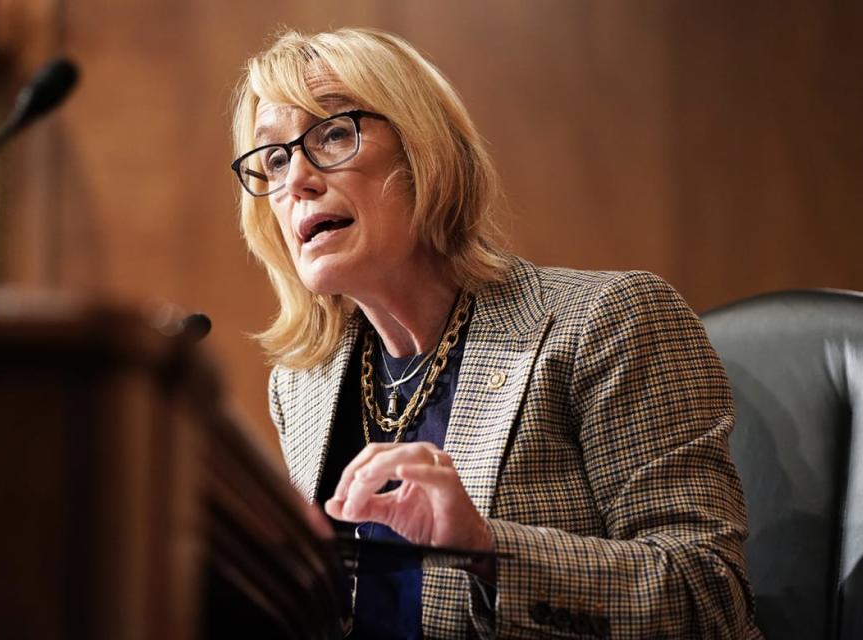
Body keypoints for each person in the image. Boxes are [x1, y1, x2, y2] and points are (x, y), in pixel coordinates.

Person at [230, 27, 762, 639]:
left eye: (331, 134)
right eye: (273, 158)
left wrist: (484, 549)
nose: (295, 178)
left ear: (421, 148)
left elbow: (710, 598)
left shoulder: (609, 320)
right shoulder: (303, 386)